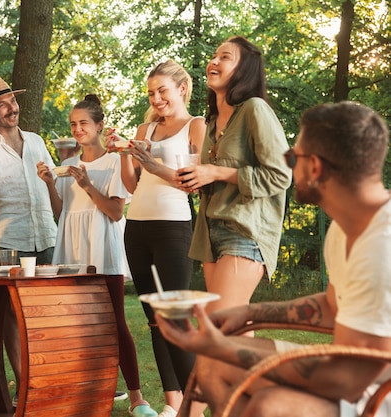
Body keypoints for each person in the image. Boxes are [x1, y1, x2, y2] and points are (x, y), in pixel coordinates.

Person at [157, 101, 391, 417]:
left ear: (316, 167)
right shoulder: (344, 231)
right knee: (214, 365)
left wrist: (219, 344)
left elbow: (346, 379)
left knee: (271, 406)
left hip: (374, 391)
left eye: (292, 158)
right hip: (351, 374)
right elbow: (334, 305)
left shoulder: (382, 246)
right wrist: (249, 313)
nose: (289, 166)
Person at [38, 95, 158, 417]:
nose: (78, 130)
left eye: (84, 124)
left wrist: (89, 185)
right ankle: (85, 391)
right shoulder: (67, 167)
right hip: (71, 249)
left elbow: (116, 212)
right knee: (76, 324)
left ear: (99, 125)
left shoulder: (113, 161)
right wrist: (51, 184)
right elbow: (61, 212)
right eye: (73, 124)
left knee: (115, 322)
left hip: (102, 248)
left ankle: (136, 397)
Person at [106, 59, 206, 417]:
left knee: (175, 317)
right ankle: (174, 403)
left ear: (181, 88)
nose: (157, 98)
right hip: (138, 227)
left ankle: (198, 401)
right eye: (151, 92)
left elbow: (192, 182)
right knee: (154, 319)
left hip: (173, 226)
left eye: (162, 90)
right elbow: (133, 185)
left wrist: (150, 164)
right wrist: (124, 155)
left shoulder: (196, 126)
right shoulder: (144, 128)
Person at [179, 36, 291, 315]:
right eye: (214, 56)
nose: (213, 61)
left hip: (245, 230)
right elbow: (213, 176)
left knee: (221, 322)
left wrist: (215, 171)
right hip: (209, 234)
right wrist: (196, 181)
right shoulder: (213, 120)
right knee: (227, 328)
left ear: (244, 70)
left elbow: (280, 175)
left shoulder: (255, 109)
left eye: (225, 57)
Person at [0, 75, 57, 406]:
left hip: (47, 237)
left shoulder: (35, 141)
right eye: (2, 104)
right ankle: (24, 383)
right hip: (9, 244)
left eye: (13, 101)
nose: (11, 108)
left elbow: (52, 186)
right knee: (11, 317)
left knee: (46, 313)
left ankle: (48, 378)